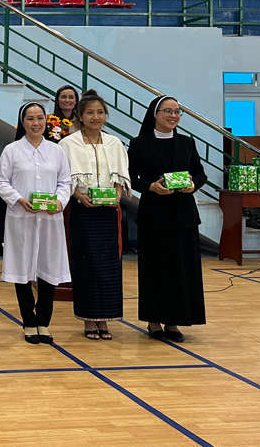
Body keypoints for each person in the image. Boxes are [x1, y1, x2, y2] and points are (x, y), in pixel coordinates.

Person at [128, 96, 207, 342]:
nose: (173, 116)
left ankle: (174, 321)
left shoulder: (187, 143)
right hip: (154, 215)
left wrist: (193, 185)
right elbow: (130, 177)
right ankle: (153, 321)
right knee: (155, 269)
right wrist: (151, 187)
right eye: (168, 111)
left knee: (181, 270)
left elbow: (200, 173)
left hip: (184, 215)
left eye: (177, 112)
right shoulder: (139, 144)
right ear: (155, 113)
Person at [0, 102, 72, 344]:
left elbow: (65, 182)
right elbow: (0, 181)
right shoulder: (11, 150)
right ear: (22, 122)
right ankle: (29, 322)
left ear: (46, 122)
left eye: (40, 118)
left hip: (50, 220)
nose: (36, 123)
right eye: (30, 118)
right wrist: (18, 199)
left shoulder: (57, 151)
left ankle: (44, 322)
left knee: (48, 269)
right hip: (22, 217)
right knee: (22, 270)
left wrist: (59, 202)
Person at [58, 90, 130, 340]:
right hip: (82, 210)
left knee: (108, 265)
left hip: (108, 213)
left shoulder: (114, 143)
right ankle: (89, 319)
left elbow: (120, 175)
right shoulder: (67, 143)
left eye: (100, 112)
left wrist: (117, 196)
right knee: (85, 263)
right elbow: (64, 178)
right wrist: (79, 196)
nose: (95, 117)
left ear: (106, 115)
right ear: (80, 115)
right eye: (90, 112)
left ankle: (105, 318)